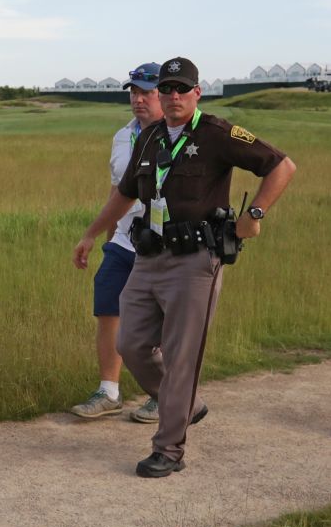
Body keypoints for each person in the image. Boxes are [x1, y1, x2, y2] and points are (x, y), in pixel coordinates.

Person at [72, 57, 295, 478]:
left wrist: (257, 214)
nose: (173, 96)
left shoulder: (217, 133)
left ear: (197, 92)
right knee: (132, 344)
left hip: (196, 260)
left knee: (180, 355)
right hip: (149, 254)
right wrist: (90, 234)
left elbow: (282, 166)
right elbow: (124, 194)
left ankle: (169, 449)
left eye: (182, 89)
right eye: (166, 89)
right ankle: (187, 404)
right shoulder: (150, 136)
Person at [70, 62, 164, 423]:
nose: (138, 100)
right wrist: (104, 238)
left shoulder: (178, 135)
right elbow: (117, 191)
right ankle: (109, 392)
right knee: (108, 307)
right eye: (134, 93)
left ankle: (161, 392)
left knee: (160, 317)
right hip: (125, 241)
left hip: (164, 244)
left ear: (165, 94)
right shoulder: (122, 136)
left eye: (146, 92)